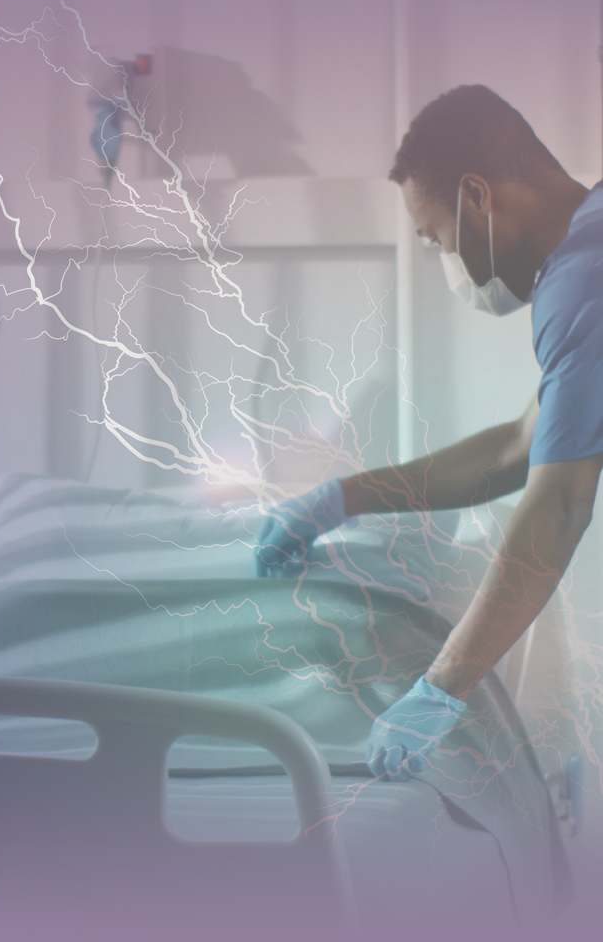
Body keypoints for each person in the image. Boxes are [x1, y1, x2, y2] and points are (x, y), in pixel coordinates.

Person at [254, 84, 603, 780]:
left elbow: (559, 503)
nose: (446, 259)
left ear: (478, 196)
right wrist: (342, 498)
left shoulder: (584, 283)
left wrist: (439, 690)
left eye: (435, 237)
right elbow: (519, 447)